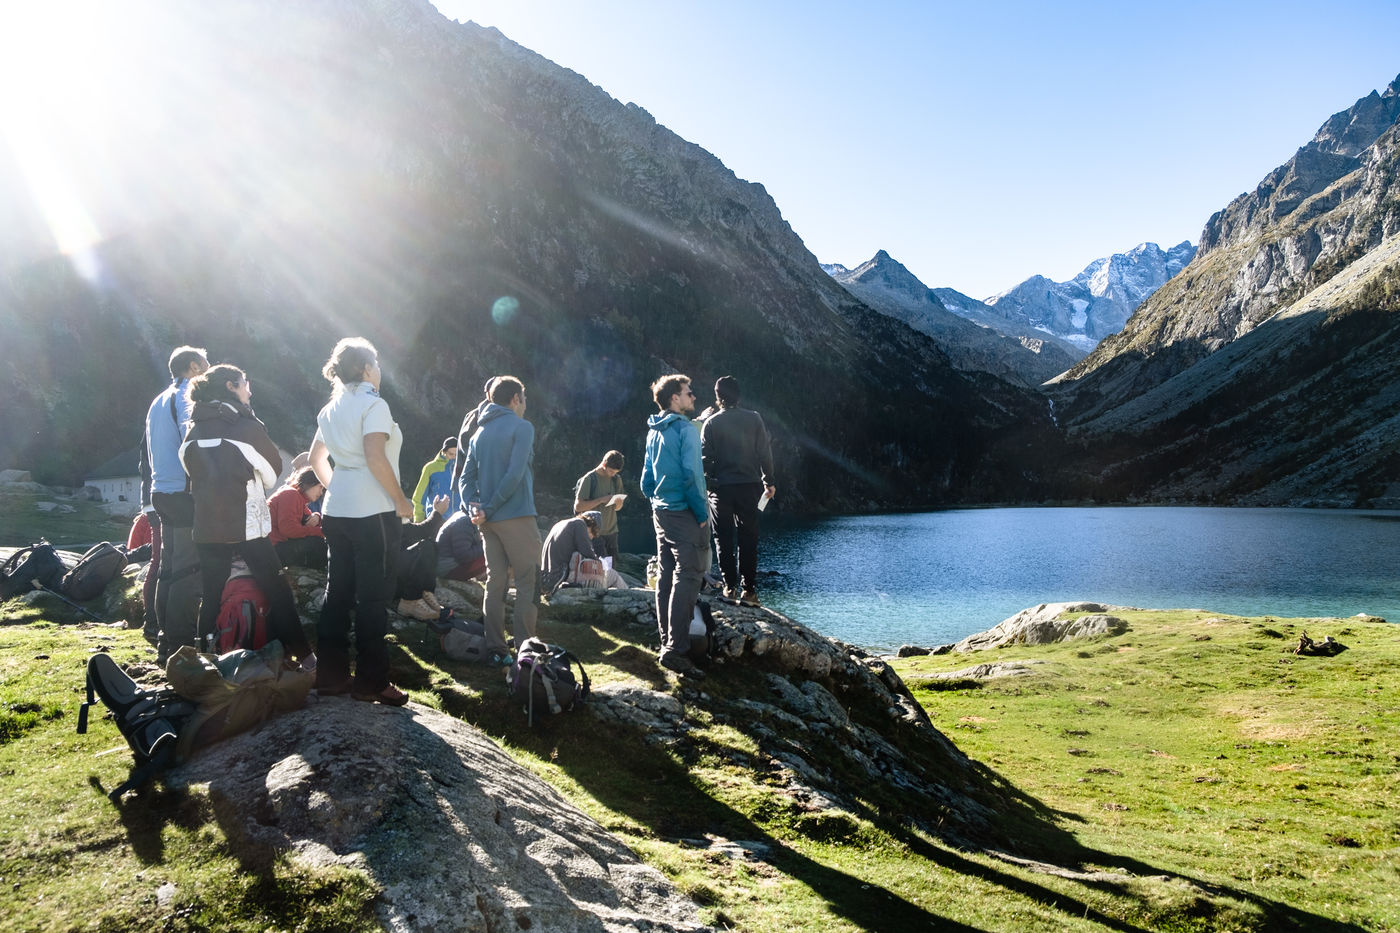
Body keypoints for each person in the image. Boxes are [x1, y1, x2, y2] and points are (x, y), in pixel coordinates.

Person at [179, 364, 314, 665]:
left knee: (211, 594)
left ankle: (204, 661)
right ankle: (305, 658)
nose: (249, 391)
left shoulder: (192, 430)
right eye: (245, 383)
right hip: (246, 525)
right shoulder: (246, 427)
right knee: (277, 590)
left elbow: (190, 470)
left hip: (207, 526)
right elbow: (272, 475)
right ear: (231, 386)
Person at [309, 338, 414, 706]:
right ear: (367, 369)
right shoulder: (374, 404)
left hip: (337, 510)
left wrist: (338, 487)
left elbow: (315, 458)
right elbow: (375, 455)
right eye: (377, 364)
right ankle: (371, 682)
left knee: (336, 593)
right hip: (374, 512)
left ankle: (330, 676)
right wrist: (401, 500)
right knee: (373, 597)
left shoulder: (330, 409)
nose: (380, 370)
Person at [459, 376, 539, 666]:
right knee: (529, 582)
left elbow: (465, 479)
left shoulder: (479, 433)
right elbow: (515, 474)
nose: (525, 405)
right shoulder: (522, 427)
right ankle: (526, 652)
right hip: (516, 516)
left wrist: (474, 508)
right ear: (516, 399)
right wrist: (490, 507)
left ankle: (496, 650)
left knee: (495, 582)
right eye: (524, 399)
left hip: (486, 522)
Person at [641, 374, 709, 677]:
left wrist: (656, 498)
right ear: (674, 398)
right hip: (684, 512)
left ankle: (666, 640)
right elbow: (692, 474)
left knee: (667, 574)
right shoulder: (686, 430)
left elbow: (646, 477)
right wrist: (701, 511)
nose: (693, 397)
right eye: (688, 393)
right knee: (690, 574)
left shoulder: (654, 429)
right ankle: (676, 649)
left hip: (661, 511)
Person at [144, 345, 208, 662]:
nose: (209, 368)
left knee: (168, 569)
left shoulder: (158, 400)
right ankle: (181, 647)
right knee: (187, 569)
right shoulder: (186, 396)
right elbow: (191, 442)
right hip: (184, 493)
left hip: (161, 491)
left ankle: (164, 640)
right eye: (206, 363)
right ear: (193, 366)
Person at [700, 375, 776, 605]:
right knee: (748, 538)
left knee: (722, 538)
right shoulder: (754, 418)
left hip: (721, 489)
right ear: (739, 395)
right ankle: (749, 590)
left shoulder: (711, 423)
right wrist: (768, 481)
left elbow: (704, 460)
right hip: (749, 487)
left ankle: (729, 588)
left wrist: (709, 484)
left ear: (717, 397)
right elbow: (764, 452)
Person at [540, 511, 626, 592]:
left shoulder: (560, 524)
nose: (592, 537)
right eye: (593, 532)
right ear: (591, 524)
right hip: (561, 575)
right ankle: (629, 596)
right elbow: (587, 552)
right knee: (613, 575)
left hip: (548, 577)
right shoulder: (579, 524)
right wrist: (600, 563)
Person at [267, 467, 328, 570]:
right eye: (320, 487)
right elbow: (288, 529)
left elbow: (310, 521)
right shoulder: (290, 494)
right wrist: (321, 532)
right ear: (309, 483)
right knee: (318, 544)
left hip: (277, 547)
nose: (321, 493)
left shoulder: (298, 498)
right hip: (272, 549)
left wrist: (317, 516)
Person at [572, 450, 627, 560]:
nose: (613, 474)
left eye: (616, 472)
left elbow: (617, 508)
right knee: (598, 567)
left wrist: (618, 503)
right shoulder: (589, 479)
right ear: (604, 464)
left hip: (612, 533)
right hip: (594, 533)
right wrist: (601, 500)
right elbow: (578, 506)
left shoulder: (616, 479)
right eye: (611, 471)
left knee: (611, 568)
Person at [411, 436, 461, 521]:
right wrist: (418, 521)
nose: (454, 457)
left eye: (456, 454)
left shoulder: (463, 468)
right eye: (451, 454)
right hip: (436, 520)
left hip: (459, 520)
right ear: (444, 452)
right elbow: (419, 497)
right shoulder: (430, 468)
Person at [435, 509, 488, 582]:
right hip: (448, 569)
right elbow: (463, 555)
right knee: (495, 551)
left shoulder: (462, 515)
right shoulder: (465, 522)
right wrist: (486, 544)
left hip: (447, 565)